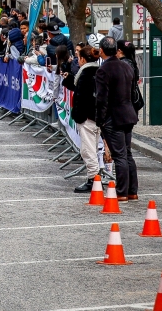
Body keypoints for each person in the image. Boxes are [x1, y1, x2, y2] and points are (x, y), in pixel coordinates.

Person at [95, 36, 139, 202]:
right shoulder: (126, 67)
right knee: (127, 154)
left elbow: (101, 98)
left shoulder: (104, 70)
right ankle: (132, 190)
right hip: (128, 113)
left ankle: (121, 192)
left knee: (119, 155)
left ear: (101, 50)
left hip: (113, 116)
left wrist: (100, 120)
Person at [62, 44, 102, 193]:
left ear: (83, 59)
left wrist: (79, 116)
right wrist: (69, 78)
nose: (77, 60)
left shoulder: (85, 74)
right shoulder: (97, 71)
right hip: (97, 116)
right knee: (93, 148)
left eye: (79, 57)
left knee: (88, 150)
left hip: (87, 117)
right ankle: (95, 177)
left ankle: (93, 179)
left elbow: (82, 96)